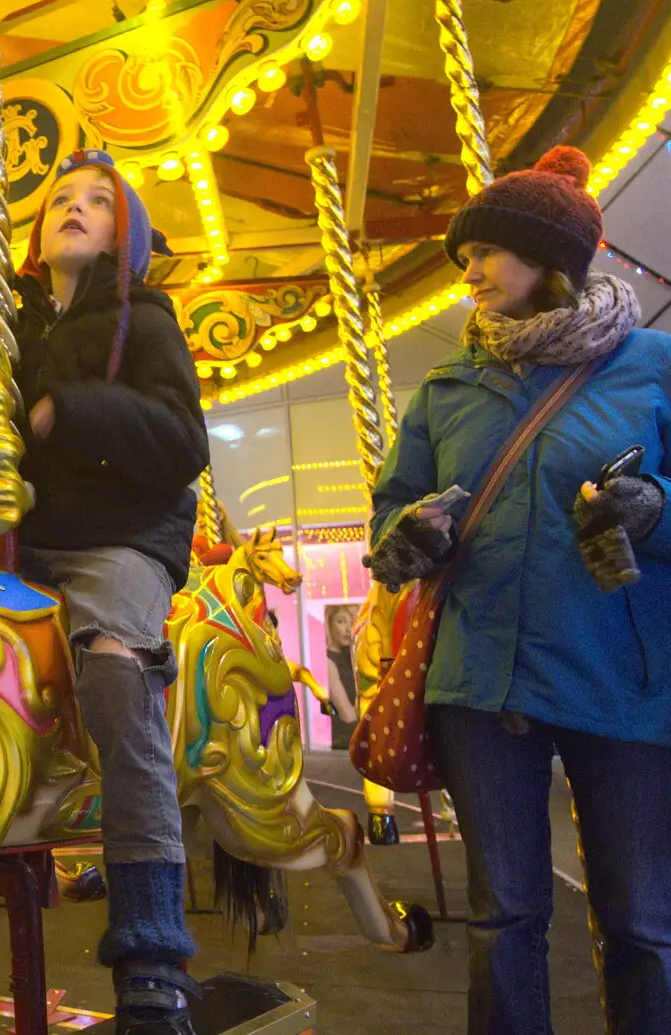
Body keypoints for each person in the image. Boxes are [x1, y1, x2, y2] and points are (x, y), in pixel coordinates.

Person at [365, 146, 671, 1034]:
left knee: (644, 922)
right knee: (504, 916)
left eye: (488, 250)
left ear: (552, 262)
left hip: (623, 678)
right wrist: (408, 536)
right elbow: (389, 512)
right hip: (479, 679)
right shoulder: (448, 385)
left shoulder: (653, 368)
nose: (469, 270)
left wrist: (651, 507)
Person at [13, 149, 210, 1035]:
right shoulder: (5, 321)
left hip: (118, 538)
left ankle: (152, 944)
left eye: (100, 202)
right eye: (61, 198)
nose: (75, 208)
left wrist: (70, 412)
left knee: (113, 673)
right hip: (20, 538)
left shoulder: (148, 318)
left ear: (125, 240)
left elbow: (181, 440)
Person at [324, 604, 360, 748]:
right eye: (341, 621)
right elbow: (348, 717)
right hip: (345, 740)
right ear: (329, 623)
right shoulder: (328, 662)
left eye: (352, 622)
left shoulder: (351, 656)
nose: (348, 629)